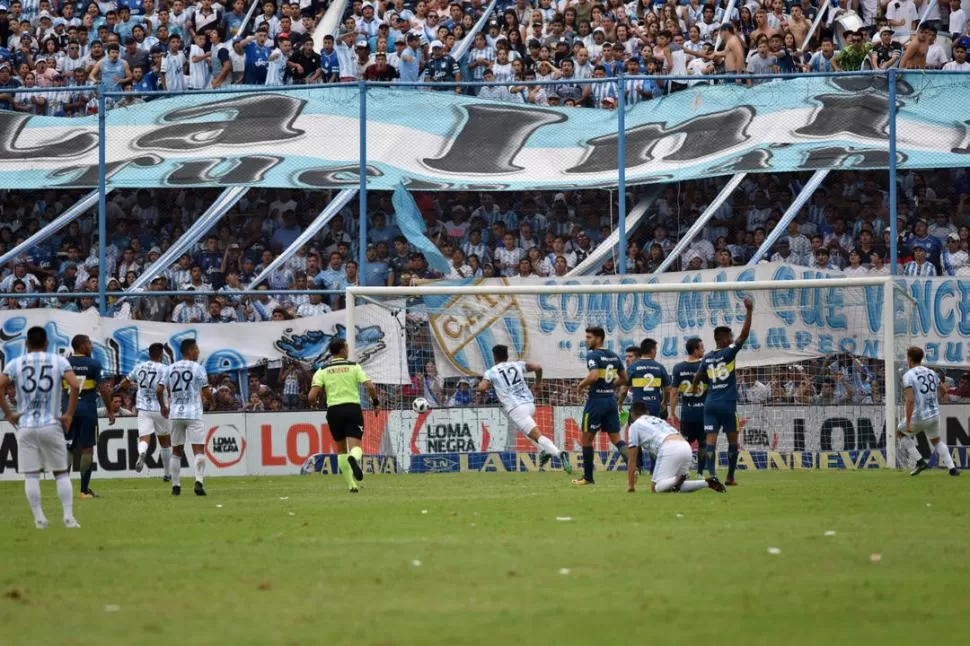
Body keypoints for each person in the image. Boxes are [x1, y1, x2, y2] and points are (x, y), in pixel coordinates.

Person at [0, 327, 82, 529]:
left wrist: (9, 413)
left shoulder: (15, 363)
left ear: (26, 344)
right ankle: (68, 517)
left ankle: (39, 518)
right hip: (51, 422)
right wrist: (69, 414)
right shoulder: (59, 361)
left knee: (31, 474)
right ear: (47, 343)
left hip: (26, 425)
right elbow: (74, 385)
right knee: (61, 472)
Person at [479, 344, 572, 473]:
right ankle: (544, 451)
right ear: (507, 356)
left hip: (516, 408)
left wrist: (481, 387)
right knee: (523, 429)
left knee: (537, 435)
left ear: (494, 357)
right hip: (529, 404)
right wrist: (538, 383)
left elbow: (483, 387)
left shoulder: (491, 372)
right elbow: (538, 367)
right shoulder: (517, 364)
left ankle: (559, 453)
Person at [692, 297, 754, 486]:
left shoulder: (708, 357)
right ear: (723, 339)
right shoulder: (728, 352)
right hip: (727, 404)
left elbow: (698, 376)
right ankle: (730, 476)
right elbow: (744, 335)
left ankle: (711, 474)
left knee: (710, 441)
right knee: (732, 440)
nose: (733, 338)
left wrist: (696, 388)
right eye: (730, 336)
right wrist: (749, 311)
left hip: (710, 404)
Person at [307, 338, 380, 493]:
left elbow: (312, 396)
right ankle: (354, 458)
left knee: (341, 450)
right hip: (351, 408)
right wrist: (375, 402)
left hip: (333, 411)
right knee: (356, 447)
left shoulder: (322, 370)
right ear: (341, 350)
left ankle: (351, 485)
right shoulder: (354, 367)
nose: (348, 350)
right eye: (346, 348)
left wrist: (313, 404)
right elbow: (370, 387)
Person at [625, 403, 726, 494]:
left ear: (632, 414)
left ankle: (679, 478)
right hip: (685, 447)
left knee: (656, 488)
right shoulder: (658, 420)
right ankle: (707, 483)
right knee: (676, 486)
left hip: (668, 447)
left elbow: (632, 456)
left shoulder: (635, 425)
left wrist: (630, 486)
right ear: (647, 412)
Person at [572, 326, 628, 486]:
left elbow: (594, 375)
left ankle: (588, 478)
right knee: (616, 439)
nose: (586, 340)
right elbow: (624, 378)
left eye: (589, 337)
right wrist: (610, 387)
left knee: (587, 440)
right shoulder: (614, 356)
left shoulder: (593, 355)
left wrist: (580, 386)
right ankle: (635, 466)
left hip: (596, 401)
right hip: (610, 401)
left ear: (598, 338)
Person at [158, 338, 212, 496]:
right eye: (196, 349)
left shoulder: (170, 368)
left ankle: (175, 485)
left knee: (176, 450)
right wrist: (213, 401)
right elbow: (206, 391)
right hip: (194, 413)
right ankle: (198, 482)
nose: (198, 351)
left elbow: (159, 390)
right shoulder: (198, 368)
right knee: (199, 450)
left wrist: (163, 406)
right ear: (190, 350)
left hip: (175, 413)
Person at [67, 334, 115, 499]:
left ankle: (63, 488)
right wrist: (110, 410)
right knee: (87, 449)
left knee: (68, 448)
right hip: (87, 411)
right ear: (81, 346)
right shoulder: (94, 364)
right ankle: (84, 491)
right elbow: (103, 389)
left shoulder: (64, 363)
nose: (91, 346)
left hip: (68, 412)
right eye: (89, 343)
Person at [900, 346, 959, 476]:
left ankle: (920, 461)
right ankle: (953, 469)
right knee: (936, 440)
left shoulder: (908, 375)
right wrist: (934, 400)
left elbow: (910, 401)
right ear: (921, 358)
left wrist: (908, 421)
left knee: (900, 433)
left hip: (920, 415)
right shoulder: (931, 372)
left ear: (909, 359)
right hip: (934, 413)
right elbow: (943, 390)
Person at [119, 343, 172, 479]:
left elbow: (124, 383)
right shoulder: (164, 369)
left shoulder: (139, 367)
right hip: (160, 408)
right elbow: (165, 388)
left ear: (149, 354)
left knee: (144, 438)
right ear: (161, 355)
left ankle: (142, 452)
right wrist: (165, 406)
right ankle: (166, 473)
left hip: (143, 408)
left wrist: (132, 386)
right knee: (164, 441)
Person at [668, 337, 708, 478]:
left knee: (685, 444)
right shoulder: (706, 365)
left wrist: (672, 413)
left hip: (687, 412)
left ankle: (684, 471)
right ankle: (700, 473)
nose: (704, 349)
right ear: (696, 350)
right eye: (702, 347)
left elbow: (673, 392)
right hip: (703, 411)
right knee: (703, 443)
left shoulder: (678, 368)